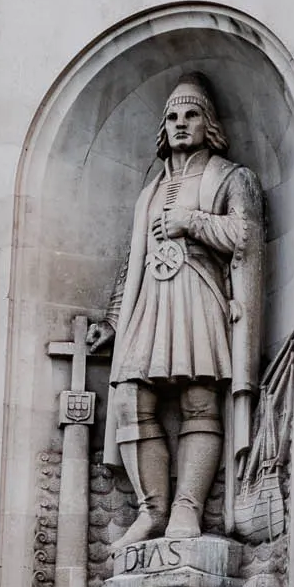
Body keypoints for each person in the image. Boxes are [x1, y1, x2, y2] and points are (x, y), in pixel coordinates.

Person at [100, 75, 264, 543]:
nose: (180, 123)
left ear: (208, 123)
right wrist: (114, 319)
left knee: (198, 401)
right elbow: (132, 258)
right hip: (151, 297)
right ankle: (152, 510)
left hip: (199, 290)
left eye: (191, 114)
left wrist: (191, 222)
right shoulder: (150, 190)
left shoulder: (232, 177)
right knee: (131, 397)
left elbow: (245, 236)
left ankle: (186, 511)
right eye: (172, 116)